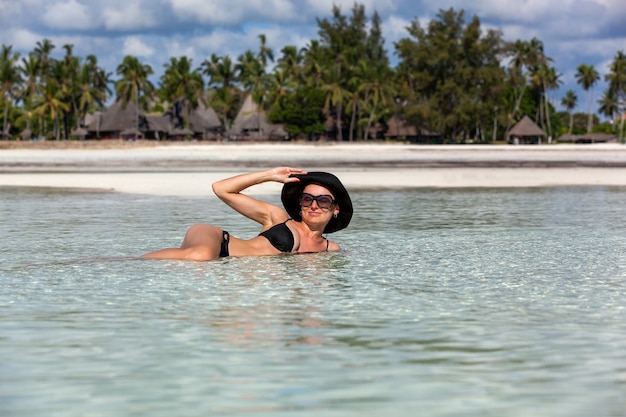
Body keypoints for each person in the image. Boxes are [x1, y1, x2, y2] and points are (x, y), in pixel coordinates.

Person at [142, 167, 353, 261]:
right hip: (217, 241)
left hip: (219, 262)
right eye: (307, 199)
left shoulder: (330, 249)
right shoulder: (278, 217)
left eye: (323, 200)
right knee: (200, 256)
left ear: (336, 209)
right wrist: (269, 175)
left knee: (200, 262)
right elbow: (221, 188)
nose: (314, 205)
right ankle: (125, 262)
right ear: (300, 204)